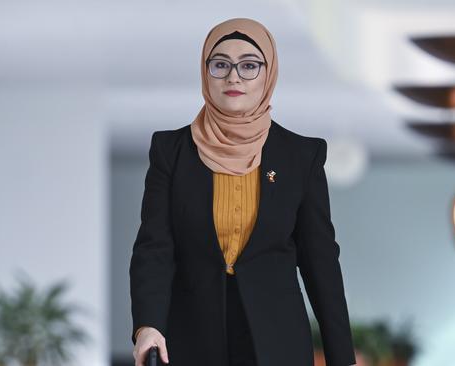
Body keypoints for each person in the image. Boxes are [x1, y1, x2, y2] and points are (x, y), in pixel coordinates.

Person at [130, 17, 356, 366]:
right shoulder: (170, 151)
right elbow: (155, 247)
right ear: (205, 71)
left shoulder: (301, 156)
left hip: (277, 340)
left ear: (268, 73)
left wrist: (342, 358)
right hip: (191, 336)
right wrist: (147, 325)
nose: (233, 77)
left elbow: (320, 261)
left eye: (249, 65)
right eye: (220, 64)